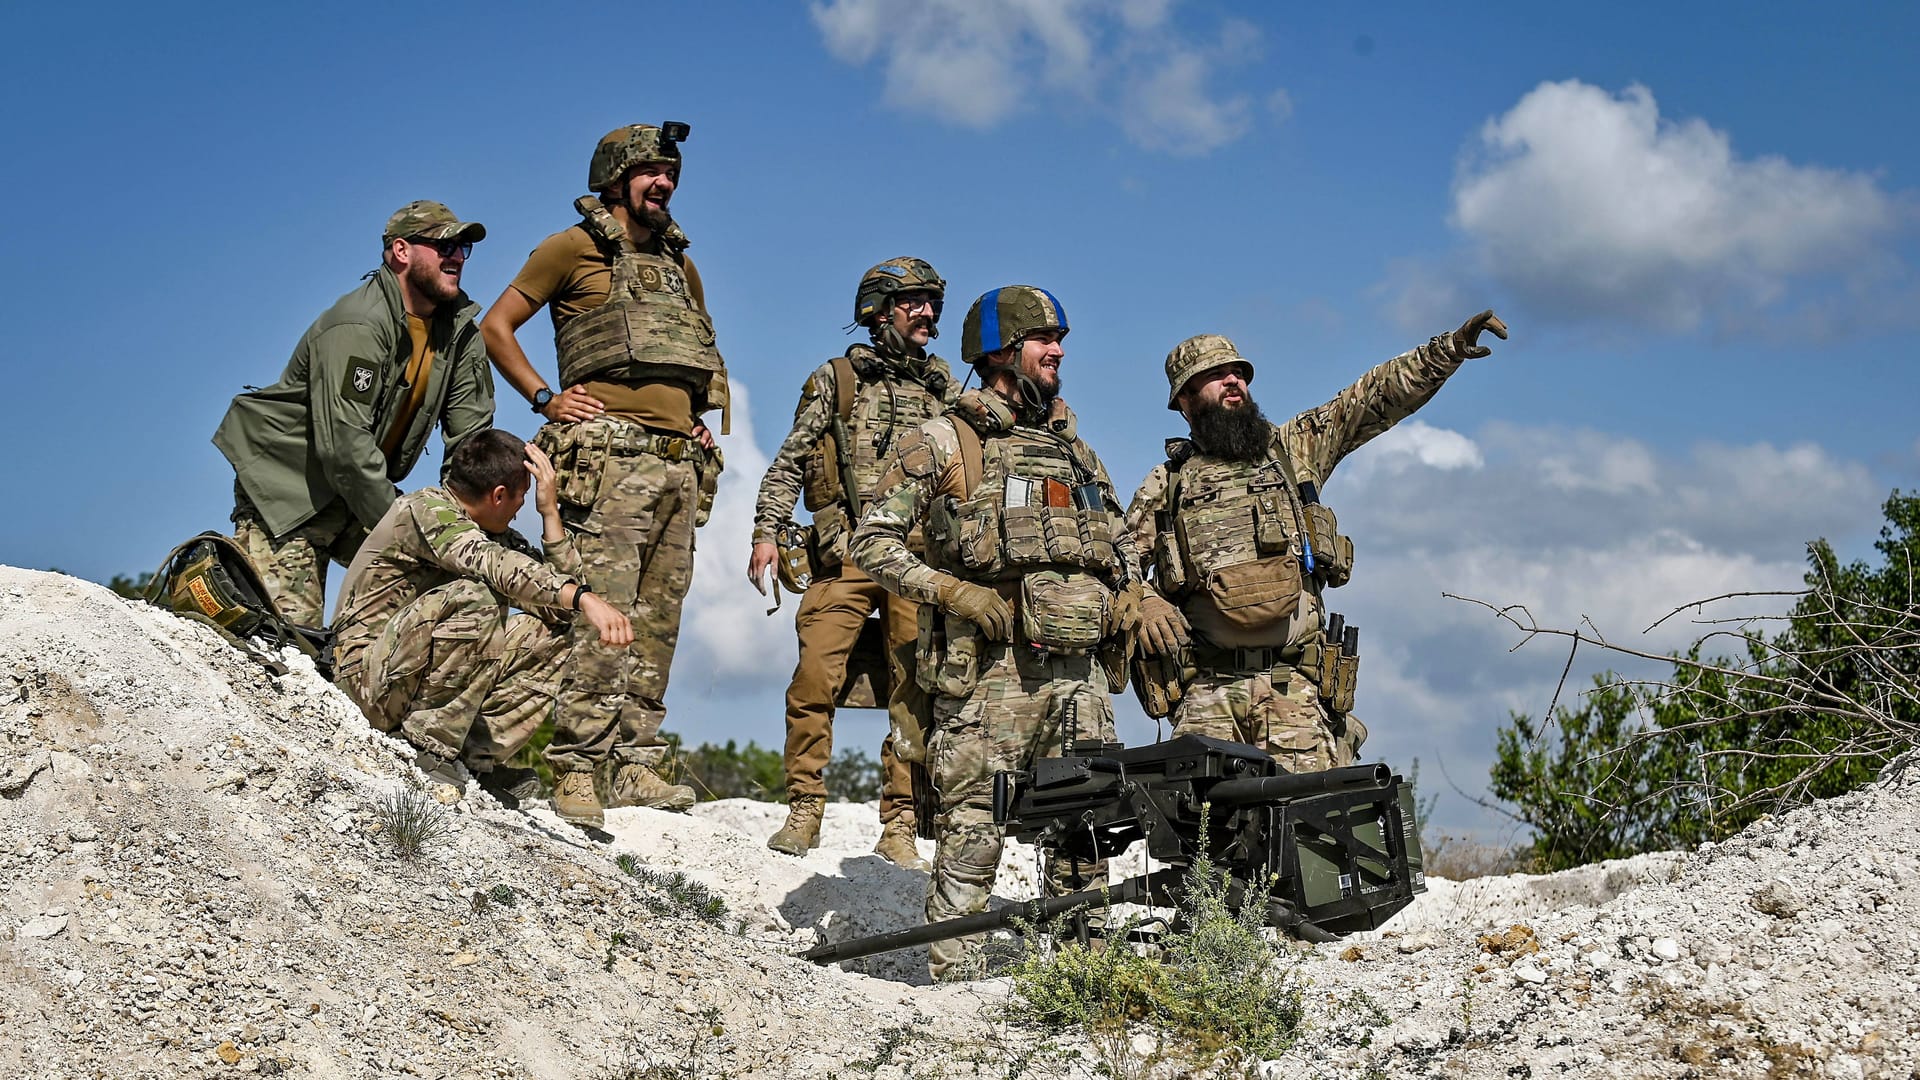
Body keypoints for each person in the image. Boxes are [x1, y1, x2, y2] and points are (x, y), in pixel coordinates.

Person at [851, 285, 1141, 978]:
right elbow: (871, 544)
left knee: (1085, 835)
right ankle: (956, 992)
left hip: (1082, 680)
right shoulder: (945, 440)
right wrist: (952, 590)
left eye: (1060, 339)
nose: (1060, 352)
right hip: (988, 681)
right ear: (1003, 350)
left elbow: (1119, 540)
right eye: (1045, 339)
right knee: (973, 837)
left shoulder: (1075, 451)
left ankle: (1082, 985)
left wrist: (1129, 597)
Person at [1124, 311, 1510, 772]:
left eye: (1239, 374)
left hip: (1294, 693)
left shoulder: (1292, 450)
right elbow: (1118, 562)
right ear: (1185, 400)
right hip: (1206, 695)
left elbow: (1370, 398)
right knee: (1203, 836)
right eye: (1215, 376)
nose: (1233, 382)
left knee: (1309, 830)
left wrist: (1447, 350)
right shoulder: (1166, 486)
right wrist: (1145, 600)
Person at [479, 122, 728, 825]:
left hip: (680, 463)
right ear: (615, 180)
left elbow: (695, 352)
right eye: (652, 172)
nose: (666, 184)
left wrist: (696, 416)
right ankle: (578, 767)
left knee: (658, 621)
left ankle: (636, 761)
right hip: (610, 459)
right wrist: (543, 397)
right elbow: (496, 325)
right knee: (603, 615)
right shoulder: (570, 249)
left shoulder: (681, 264)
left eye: (671, 173)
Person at [747, 258, 957, 868]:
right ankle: (805, 804)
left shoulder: (946, 391)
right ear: (879, 309)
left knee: (913, 687)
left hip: (916, 558)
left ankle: (899, 822)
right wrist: (766, 530)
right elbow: (791, 459)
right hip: (846, 553)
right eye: (914, 301)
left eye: (932, 303)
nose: (928, 313)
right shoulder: (838, 380)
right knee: (815, 671)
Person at [213, 200, 496, 626]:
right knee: (286, 646)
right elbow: (345, 448)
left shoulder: (458, 332)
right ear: (401, 251)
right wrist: (414, 527)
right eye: (444, 245)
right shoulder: (358, 325)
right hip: (292, 496)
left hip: (358, 495)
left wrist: (470, 534)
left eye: (462, 247)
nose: (456, 256)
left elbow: (471, 444)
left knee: (456, 594)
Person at [332, 429, 632, 811]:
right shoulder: (426, 510)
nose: (522, 506)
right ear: (499, 496)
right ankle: (430, 750)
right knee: (477, 597)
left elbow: (558, 604)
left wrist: (550, 513)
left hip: (402, 678)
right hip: (363, 682)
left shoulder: (491, 531)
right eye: (524, 495)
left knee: (553, 628)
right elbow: (492, 564)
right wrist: (585, 598)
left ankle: (474, 759)